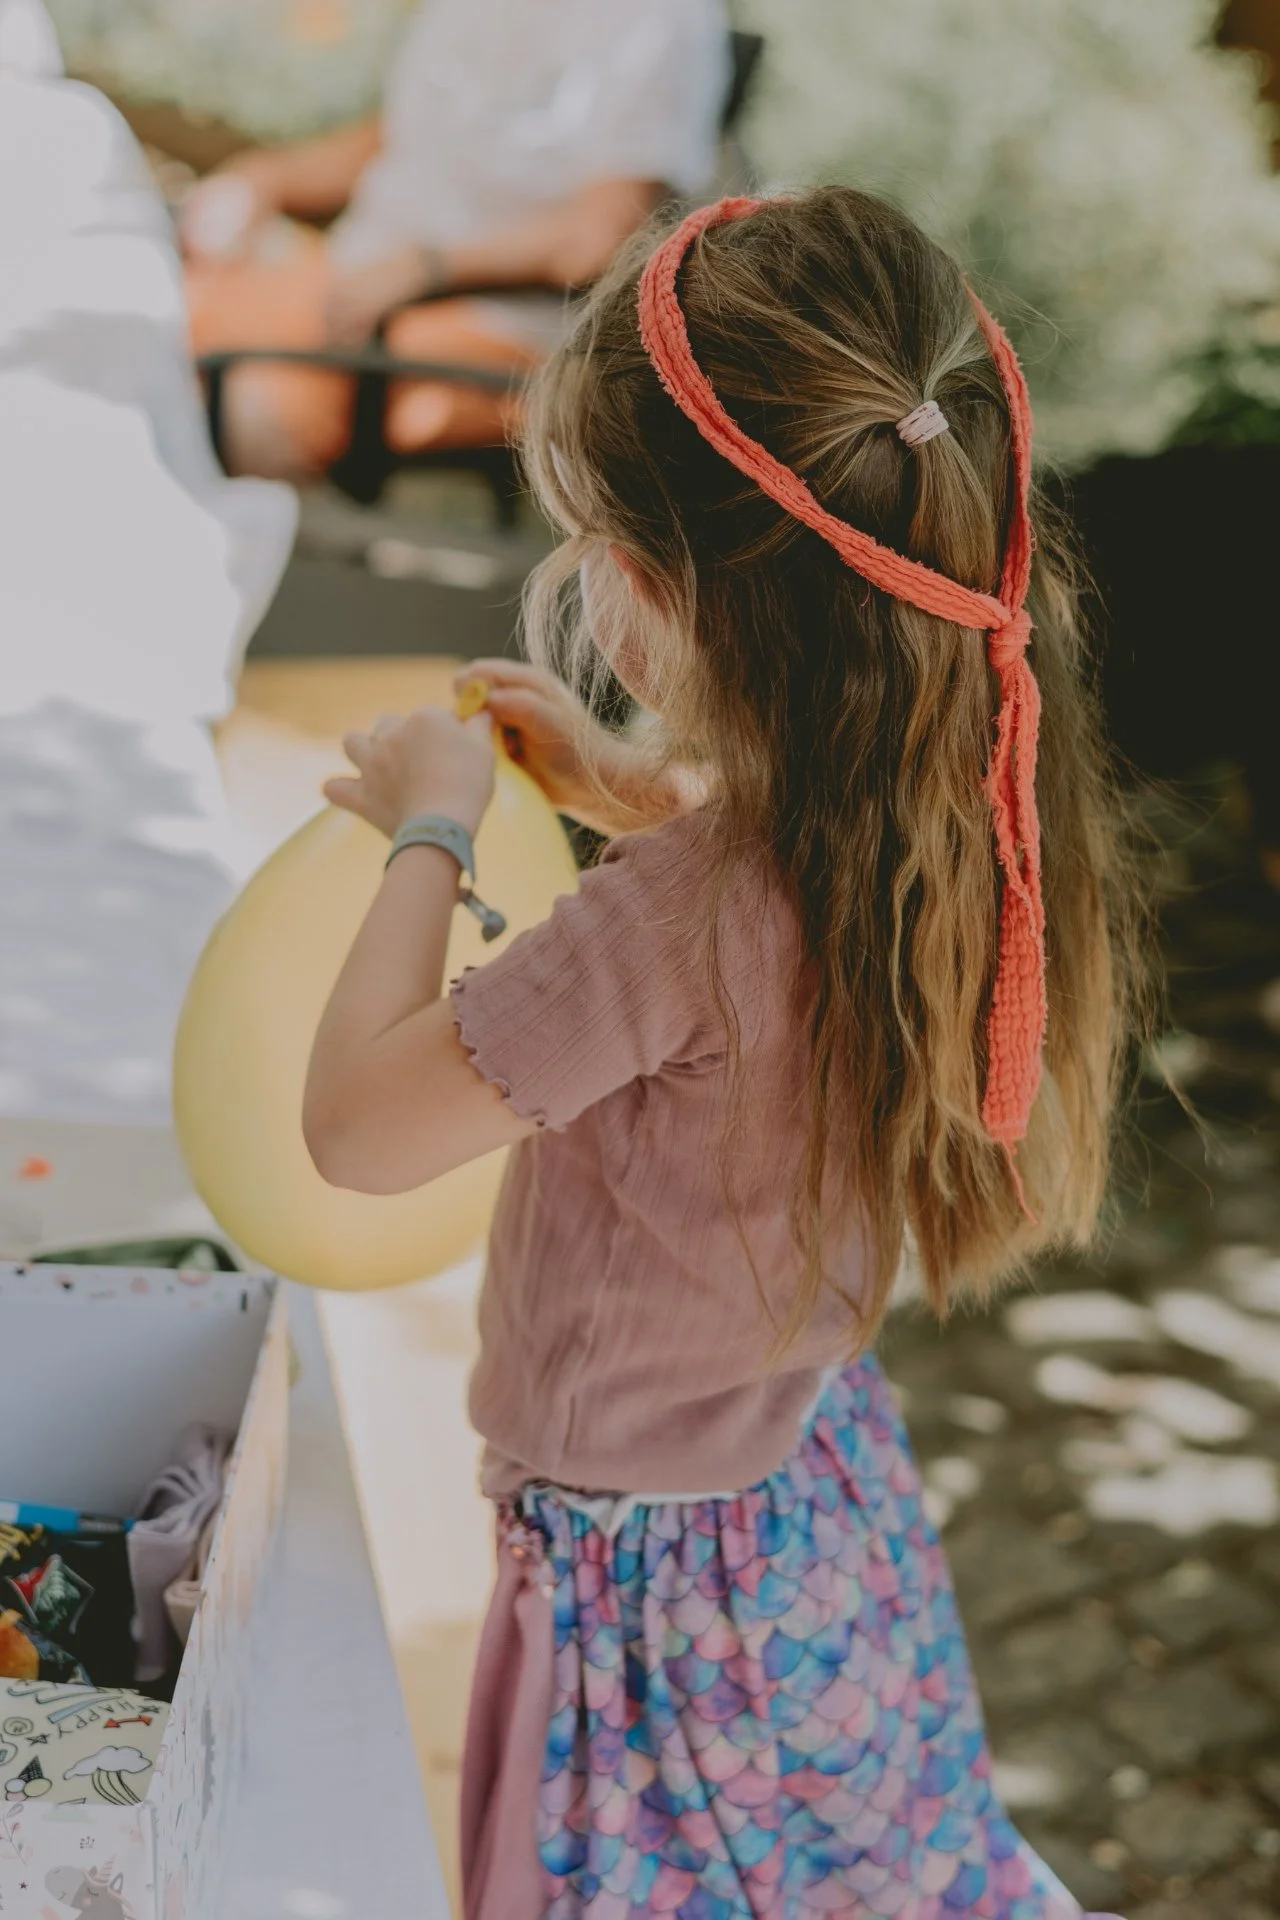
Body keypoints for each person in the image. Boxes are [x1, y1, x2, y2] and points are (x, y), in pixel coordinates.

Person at [302, 190, 1140, 1918]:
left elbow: (358, 1128)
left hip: (647, 1586)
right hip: (800, 1501)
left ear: (641, 588)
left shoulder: (667, 928)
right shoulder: (943, 794)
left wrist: (430, 828)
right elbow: (770, 891)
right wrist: (617, 790)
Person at [182, 0, 730, 478]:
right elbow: (401, 140)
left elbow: (605, 235)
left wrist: (425, 268)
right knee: (160, 315)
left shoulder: (656, 21)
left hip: (500, 329)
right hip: (358, 284)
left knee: (241, 397)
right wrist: (262, 180)